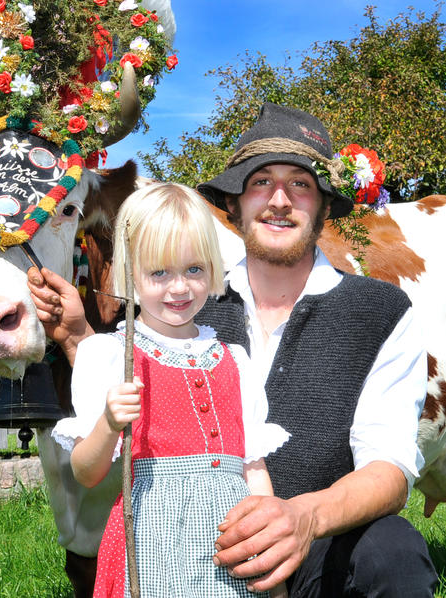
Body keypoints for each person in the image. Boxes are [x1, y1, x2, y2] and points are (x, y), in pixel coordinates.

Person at [29, 103, 438, 597]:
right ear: (236, 201)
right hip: (199, 543)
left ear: (325, 205)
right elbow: (133, 375)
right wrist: (77, 336)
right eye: (261, 181)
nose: (280, 200)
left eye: (302, 183)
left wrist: (303, 517)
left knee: (392, 555)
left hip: (323, 541)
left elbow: (389, 470)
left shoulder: (378, 311)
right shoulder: (189, 302)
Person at [50, 182, 290, 598]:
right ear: (130, 273)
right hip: (151, 542)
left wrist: (274, 570)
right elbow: (86, 474)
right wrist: (108, 424)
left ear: (213, 269)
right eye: (159, 272)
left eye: (194, 269)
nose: (179, 288)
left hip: (230, 542)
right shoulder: (109, 356)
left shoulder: (234, 360)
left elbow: (254, 470)